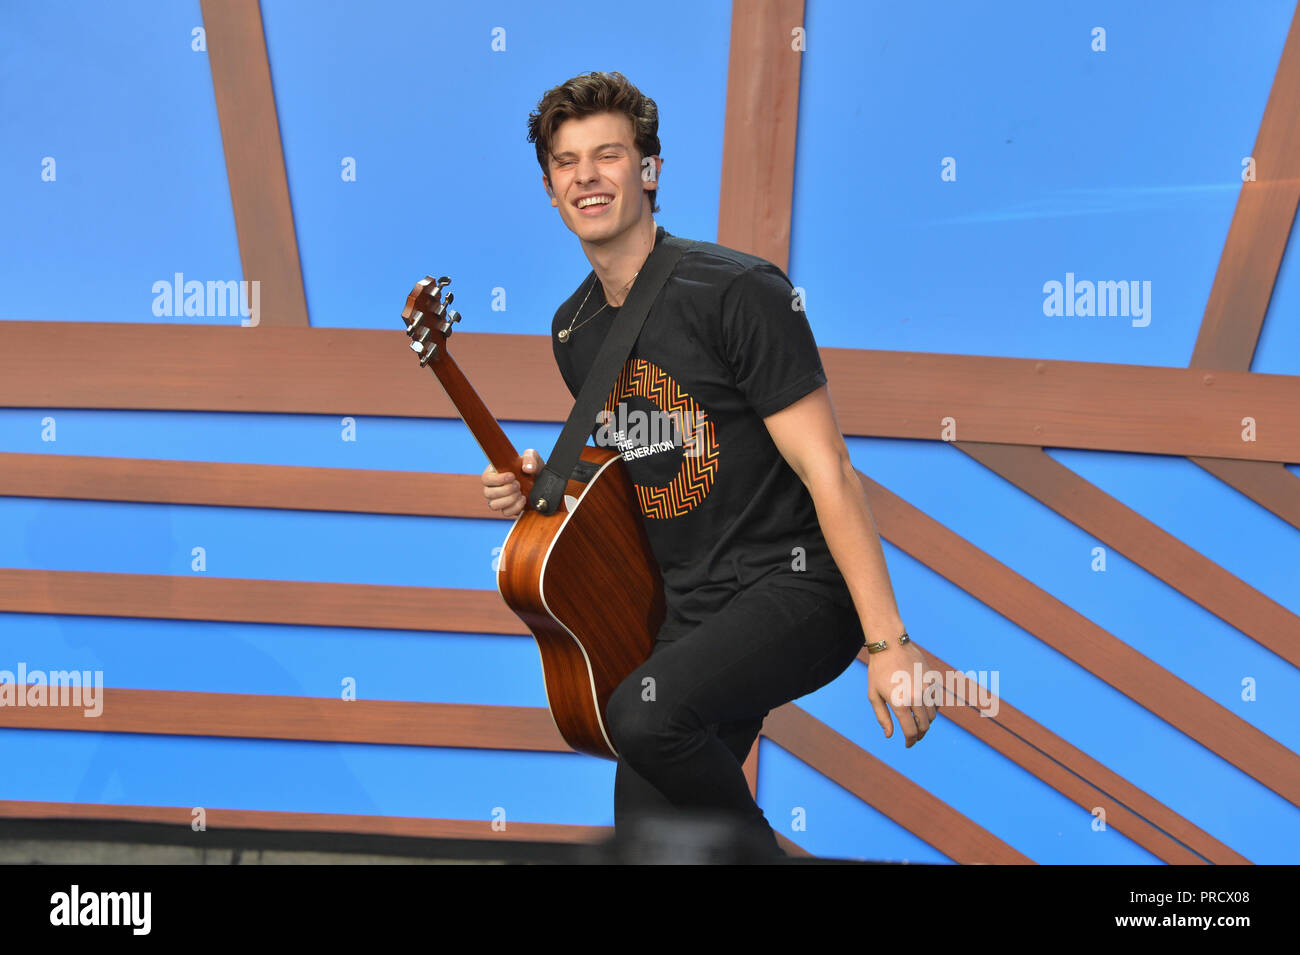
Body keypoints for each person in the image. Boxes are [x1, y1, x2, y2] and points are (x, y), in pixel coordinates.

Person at [482, 71, 935, 858]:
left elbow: (828, 466)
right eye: (566, 162)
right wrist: (545, 484)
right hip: (692, 613)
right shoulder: (573, 329)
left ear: (649, 170)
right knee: (654, 839)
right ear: (550, 188)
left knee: (645, 715)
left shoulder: (739, 292)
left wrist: (887, 644)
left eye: (608, 155)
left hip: (795, 588)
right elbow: (639, 468)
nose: (586, 176)